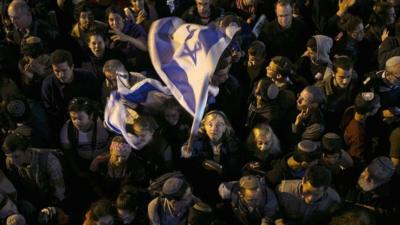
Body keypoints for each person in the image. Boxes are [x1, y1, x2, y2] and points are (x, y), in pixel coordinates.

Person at [181, 110, 241, 203]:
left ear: (225, 128)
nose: (214, 128)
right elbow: (190, 157)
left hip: (225, 184)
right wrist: (200, 161)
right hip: (204, 184)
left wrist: (220, 169)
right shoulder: (199, 141)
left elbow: (235, 167)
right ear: (204, 126)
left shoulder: (233, 144)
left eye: (219, 125)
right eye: (210, 124)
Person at [41, 49, 100, 134]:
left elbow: (96, 100)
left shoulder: (87, 77)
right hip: (62, 123)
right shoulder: (48, 84)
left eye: (64, 70)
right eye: (56, 71)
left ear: (72, 67)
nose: (60, 75)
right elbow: (50, 110)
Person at [2, 133, 66, 207]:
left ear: (27, 151)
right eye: (9, 156)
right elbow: (17, 185)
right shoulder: (10, 161)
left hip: (52, 200)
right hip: (33, 199)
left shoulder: (49, 161)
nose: (13, 161)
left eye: (16, 156)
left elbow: (59, 191)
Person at [275, 164, 341, 225]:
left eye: (317, 194)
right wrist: (279, 221)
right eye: (308, 191)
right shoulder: (283, 190)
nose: (310, 199)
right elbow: (272, 212)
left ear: (326, 190)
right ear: (303, 181)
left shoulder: (334, 199)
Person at [343, 156, 398, 225]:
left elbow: (391, 218)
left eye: (371, 179)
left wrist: (372, 211)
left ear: (383, 182)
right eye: (366, 171)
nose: (365, 178)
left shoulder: (390, 199)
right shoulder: (348, 176)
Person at [315, 55, 358, 132]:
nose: (345, 81)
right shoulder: (321, 90)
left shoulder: (354, 78)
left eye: (348, 76)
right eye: (341, 77)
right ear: (333, 73)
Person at [106, 5, 148, 71]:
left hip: (143, 69)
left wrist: (127, 38)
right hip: (123, 72)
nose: (114, 23)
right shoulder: (108, 34)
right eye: (111, 20)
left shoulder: (135, 28)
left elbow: (145, 47)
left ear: (123, 18)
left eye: (117, 19)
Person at [342, 92, 381, 162]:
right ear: (368, 113)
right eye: (376, 107)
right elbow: (357, 155)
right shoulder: (358, 134)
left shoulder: (352, 109)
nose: (380, 106)